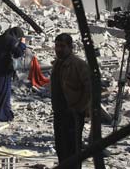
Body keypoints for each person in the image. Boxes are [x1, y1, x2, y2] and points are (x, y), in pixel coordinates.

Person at [51, 33, 91, 169]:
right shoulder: (57, 63)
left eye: (62, 46)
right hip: (59, 112)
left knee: (72, 150)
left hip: (72, 114)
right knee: (61, 147)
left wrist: (80, 107)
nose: (58, 49)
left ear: (70, 47)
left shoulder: (78, 65)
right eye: (57, 46)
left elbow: (90, 88)